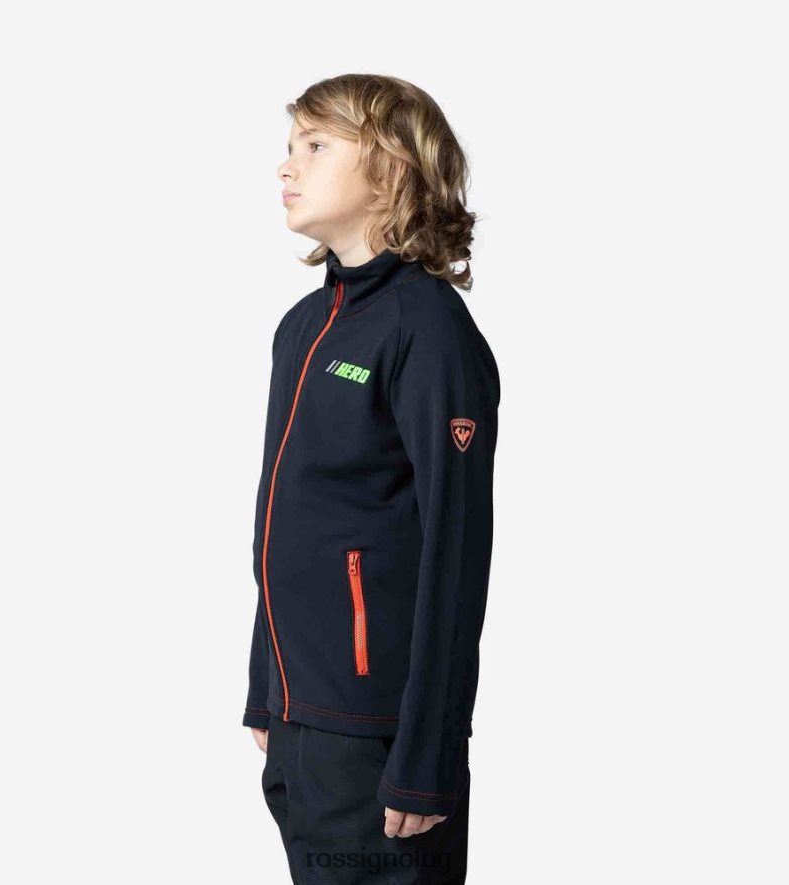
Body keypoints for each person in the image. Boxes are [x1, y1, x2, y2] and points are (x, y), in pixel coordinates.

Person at [242, 73, 500, 884]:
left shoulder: (428, 330)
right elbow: (284, 520)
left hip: (380, 732)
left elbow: (456, 554)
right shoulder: (304, 326)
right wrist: (264, 688)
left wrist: (428, 752)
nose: (287, 165)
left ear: (389, 168)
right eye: (290, 145)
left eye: (316, 146)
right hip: (300, 717)